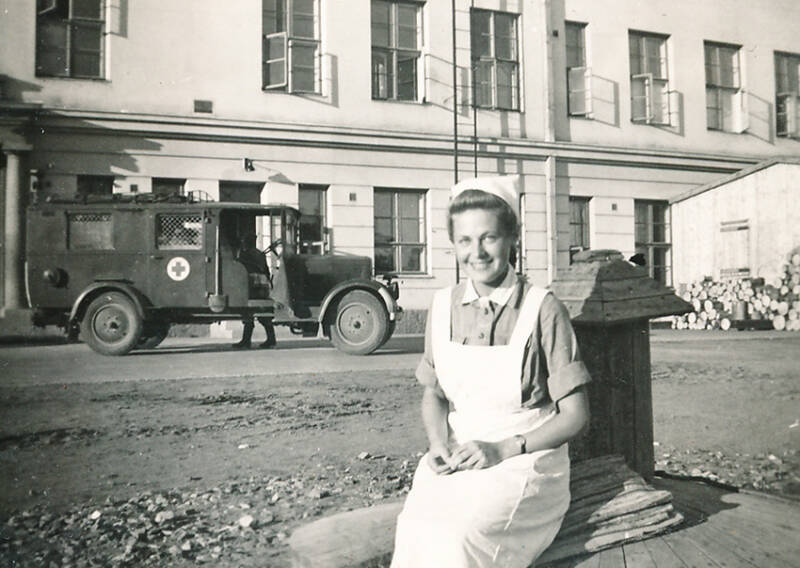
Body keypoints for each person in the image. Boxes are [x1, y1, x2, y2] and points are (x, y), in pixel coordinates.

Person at [391, 175, 592, 568]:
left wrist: (502, 449)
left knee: (461, 536)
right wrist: (437, 444)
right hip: (459, 455)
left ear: (512, 238)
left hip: (524, 462)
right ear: (453, 244)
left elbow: (576, 416)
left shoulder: (542, 308)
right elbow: (434, 394)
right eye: (465, 240)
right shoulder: (442, 306)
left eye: (489, 238)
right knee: (415, 527)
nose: (477, 252)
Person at [232, 233, 277, 349]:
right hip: (260, 286)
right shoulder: (259, 253)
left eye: (245, 240)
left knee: (248, 314)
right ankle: (270, 339)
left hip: (252, 286)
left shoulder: (246, 254)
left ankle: (247, 341)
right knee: (262, 315)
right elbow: (266, 271)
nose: (243, 243)